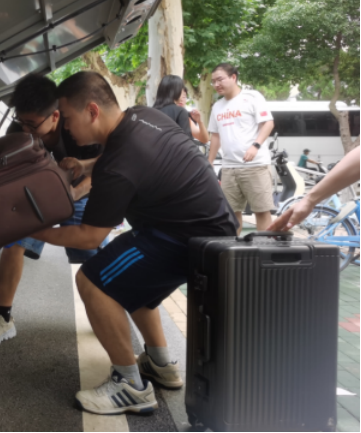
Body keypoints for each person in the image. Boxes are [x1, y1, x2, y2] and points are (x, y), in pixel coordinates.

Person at [31, 71, 238, 416]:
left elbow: (88, 236)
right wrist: (84, 164)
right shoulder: (143, 117)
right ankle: (160, 363)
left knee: (93, 281)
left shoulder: (118, 164)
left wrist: (30, 231)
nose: (65, 128)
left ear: (92, 111)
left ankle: (130, 386)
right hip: (210, 231)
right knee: (132, 282)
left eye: (66, 118)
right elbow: (120, 159)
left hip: (183, 239)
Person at [0, 75, 108, 350]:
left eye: (32, 124)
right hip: (37, 197)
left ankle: (107, 314)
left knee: (94, 255)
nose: (26, 129)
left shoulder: (80, 127)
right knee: (14, 243)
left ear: (56, 116)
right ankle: (3, 319)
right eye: (22, 121)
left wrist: (74, 193)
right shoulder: (18, 130)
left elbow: (102, 170)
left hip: (80, 192)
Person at [208, 63, 276, 234]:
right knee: (231, 213)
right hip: (229, 168)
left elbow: (268, 123)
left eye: (220, 79)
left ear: (233, 77)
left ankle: (264, 249)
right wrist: (209, 161)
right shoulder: (217, 106)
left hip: (255, 166)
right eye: (213, 81)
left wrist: (255, 146)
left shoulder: (252, 97)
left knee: (261, 211)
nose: (216, 84)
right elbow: (215, 136)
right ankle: (233, 248)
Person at [270, 148, 360, 232]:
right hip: (304, 167)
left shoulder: (303, 156)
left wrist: (309, 200)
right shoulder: (304, 156)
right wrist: (309, 201)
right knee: (313, 169)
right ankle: (310, 176)